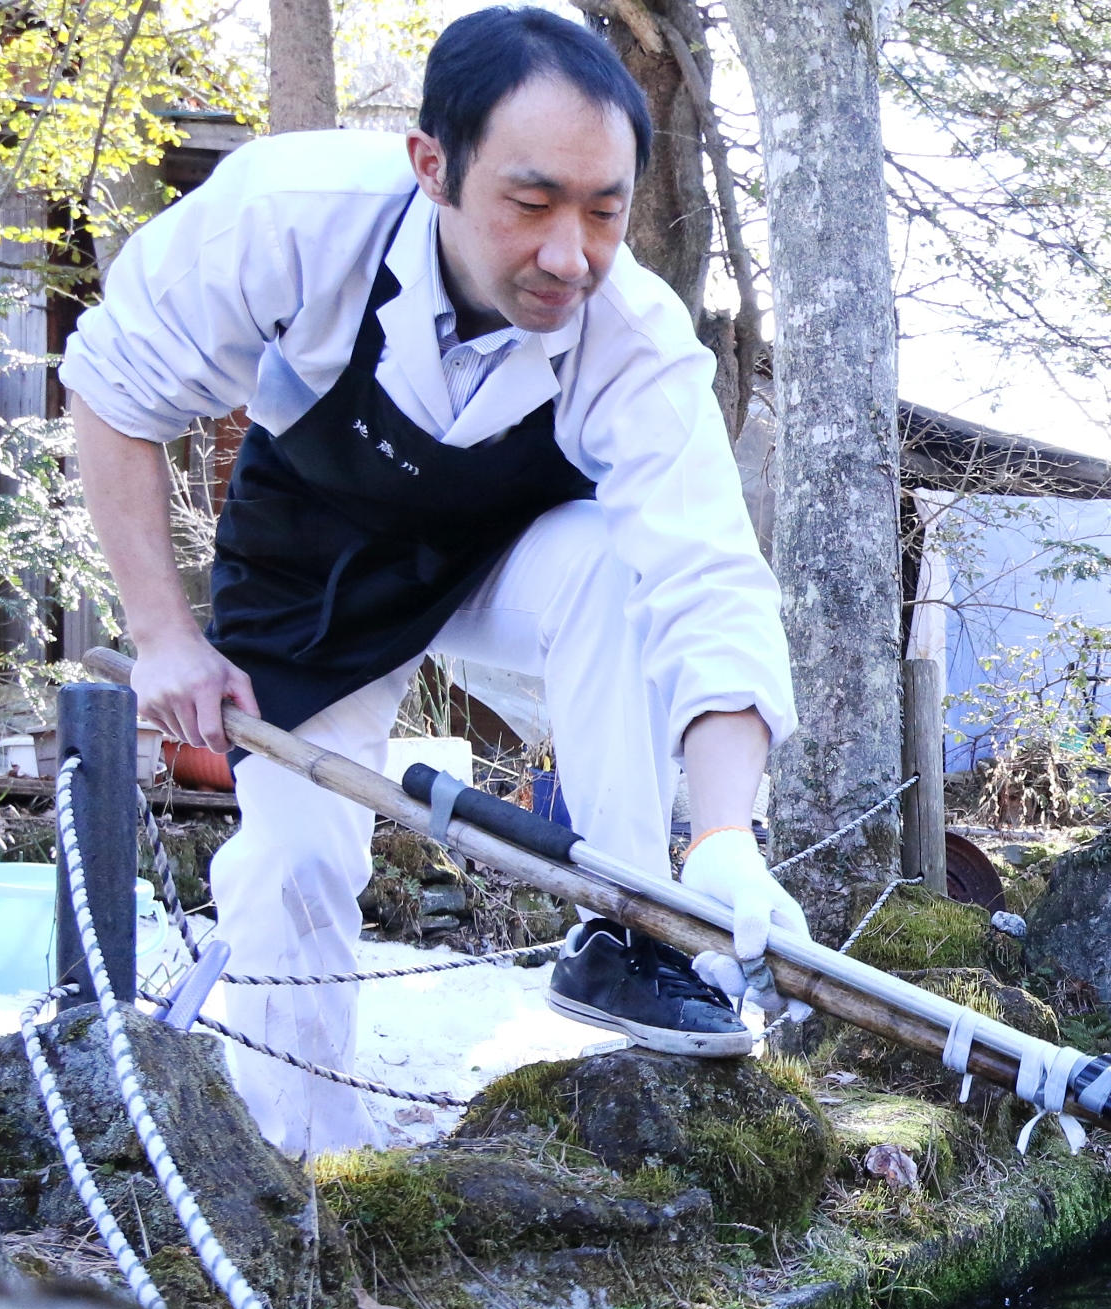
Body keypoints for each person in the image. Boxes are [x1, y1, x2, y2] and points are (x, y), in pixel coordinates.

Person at [61, 5, 803, 1155]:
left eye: (603, 212)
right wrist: (162, 635)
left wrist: (726, 833)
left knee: (619, 567)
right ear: (431, 168)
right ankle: (305, 1159)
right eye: (531, 202)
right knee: (295, 860)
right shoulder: (287, 215)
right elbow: (113, 389)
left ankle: (643, 935)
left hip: (511, 554)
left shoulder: (637, 335)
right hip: (320, 566)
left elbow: (706, 574)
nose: (570, 254)